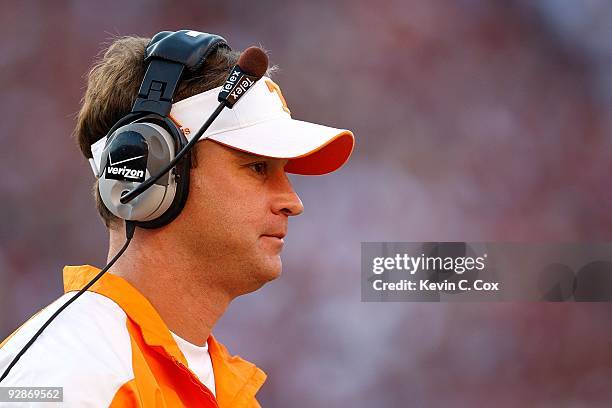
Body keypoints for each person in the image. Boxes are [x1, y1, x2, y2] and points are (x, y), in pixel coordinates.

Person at [0, 31, 354, 407]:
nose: (292, 201)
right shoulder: (70, 378)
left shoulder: (213, 383)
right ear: (150, 171)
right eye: (256, 167)